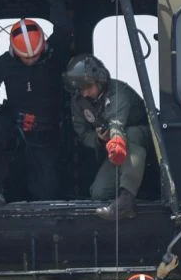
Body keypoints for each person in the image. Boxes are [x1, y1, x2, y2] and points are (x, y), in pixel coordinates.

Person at [0, 0, 72, 204]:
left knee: (46, 191)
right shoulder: (5, 63)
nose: (31, 60)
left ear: (43, 47)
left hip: (47, 131)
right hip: (15, 125)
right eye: (25, 57)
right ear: (14, 52)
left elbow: (63, 27)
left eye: (35, 56)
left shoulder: (55, 53)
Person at [64, 53, 149, 221]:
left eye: (88, 87)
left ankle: (126, 201)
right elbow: (83, 134)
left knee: (131, 134)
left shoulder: (118, 92)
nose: (85, 93)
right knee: (99, 192)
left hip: (143, 141)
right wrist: (98, 139)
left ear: (100, 79)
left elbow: (117, 123)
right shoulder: (80, 102)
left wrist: (116, 140)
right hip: (115, 148)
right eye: (81, 90)